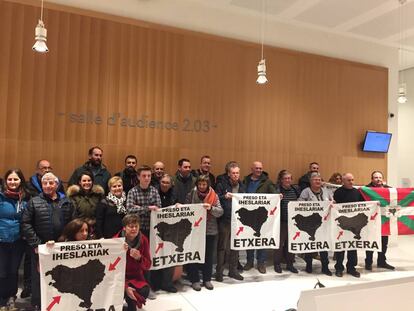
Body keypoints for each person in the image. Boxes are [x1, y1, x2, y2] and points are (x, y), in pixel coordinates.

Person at [21, 172, 73, 309]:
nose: (48, 185)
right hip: (41, 248)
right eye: (45, 183)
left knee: (61, 277)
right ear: (42, 185)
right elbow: (26, 223)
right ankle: (39, 304)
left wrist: (66, 241)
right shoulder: (34, 202)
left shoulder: (67, 201)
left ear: (57, 184)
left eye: (51, 183)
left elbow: (73, 223)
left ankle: (60, 304)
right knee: (40, 278)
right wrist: (37, 244)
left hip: (62, 248)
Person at [185, 175, 223, 291]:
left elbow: (220, 211)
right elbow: (185, 209)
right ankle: (194, 280)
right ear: (197, 184)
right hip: (194, 230)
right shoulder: (191, 194)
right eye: (200, 184)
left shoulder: (214, 195)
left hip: (209, 231)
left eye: (204, 184)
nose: (202, 186)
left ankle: (207, 279)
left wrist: (211, 208)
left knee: (208, 256)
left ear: (208, 185)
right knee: (193, 256)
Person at [0, 169, 30, 311]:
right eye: (10, 179)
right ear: (6, 181)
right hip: (1, 240)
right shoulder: (0, 197)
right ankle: (1, 300)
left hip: (18, 241)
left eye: (15, 179)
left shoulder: (25, 198)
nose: (12, 182)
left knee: (13, 270)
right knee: (2, 270)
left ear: (21, 181)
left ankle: (11, 298)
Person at [243, 161, 276, 274]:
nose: (259, 170)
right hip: (249, 215)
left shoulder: (267, 181)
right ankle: (249, 261)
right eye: (256, 168)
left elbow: (274, 194)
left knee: (262, 239)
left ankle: (261, 263)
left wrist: (278, 196)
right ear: (252, 169)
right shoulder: (245, 180)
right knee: (249, 239)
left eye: (260, 168)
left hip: (261, 216)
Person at [215, 162, 245, 281]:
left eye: (237, 173)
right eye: (233, 173)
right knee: (222, 247)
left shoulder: (242, 185)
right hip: (225, 220)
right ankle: (219, 272)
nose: (235, 175)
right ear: (229, 174)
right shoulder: (222, 184)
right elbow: (215, 197)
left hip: (238, 221)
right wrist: (224, 196)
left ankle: (233, 271)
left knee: (235, 246)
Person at [114, 215, 151, 310]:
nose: (134, 229)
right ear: (124, 228)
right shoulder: (116, 240)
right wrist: (126, 287)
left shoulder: (144, 240)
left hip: (136, 277)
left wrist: (139, 258)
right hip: (119, 277)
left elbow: (148, 265)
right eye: (131, 226)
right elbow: (112, 269)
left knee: (144, 290)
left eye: (136, 226)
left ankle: (131, 305)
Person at [299, 172, 333, 276]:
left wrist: (333, 203)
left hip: (324, 224)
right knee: (310, 245)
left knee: (323, 246)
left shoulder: (327, 192)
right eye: (315, 180)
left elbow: (332, 201)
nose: (318, 181)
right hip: (311, 223)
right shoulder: (306, 192)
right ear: (311, 182)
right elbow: (299, 203)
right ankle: (308, 265)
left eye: (319, 180)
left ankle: (325, 267)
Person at [151, 174, 178, 293]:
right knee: (156, 255)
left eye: (167, 182)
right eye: (163, 182)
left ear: (171, 184)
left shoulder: (174, 194)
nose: (165, 184)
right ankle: (155, 283)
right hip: (155, 229)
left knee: (169, 256)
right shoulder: (154, 192)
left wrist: (178, 206)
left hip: (170, 229)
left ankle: (167, 283)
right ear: (159, 182)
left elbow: (179, 206)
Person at [333, 173, 362, 278]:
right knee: (340, 248)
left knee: (352, 248)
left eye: (352, 180)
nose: (351, 182)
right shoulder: (338, 192)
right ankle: (339, 268)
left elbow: (364, 206)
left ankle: (351, 268)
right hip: (342, 225)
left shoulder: (357, 192)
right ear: (343, 181)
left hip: (354, 225)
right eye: (349, 180)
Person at [364, 171, 394, 271]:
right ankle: (368, 262)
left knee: (383, 243)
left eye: (380, 177)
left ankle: (382, 261)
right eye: (376, 177)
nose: (378, 179)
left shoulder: (389, 189)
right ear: (372, 179)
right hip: (371, 221)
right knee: (371, 242)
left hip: (384, 221)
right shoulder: (366, 190)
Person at [273, 170, 299, 274]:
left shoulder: (295, 190)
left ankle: (290, 264)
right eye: (285, 178)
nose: (288, 180)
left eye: (289, 178)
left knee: (291, 244)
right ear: (281, 180)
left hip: (293, 222)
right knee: (279, 245)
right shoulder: (277, 190)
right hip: (281, 222)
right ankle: (277, 264)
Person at [67, 171, 104, 238]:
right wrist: (83, 225)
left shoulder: (98, 195)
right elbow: (73, 214)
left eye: (89, 180)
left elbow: (100, 214)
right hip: (79, 229)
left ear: (92, 182)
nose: (87, 183)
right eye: (84, 181)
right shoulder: (74, 196)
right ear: (79, 182)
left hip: (95, 230)